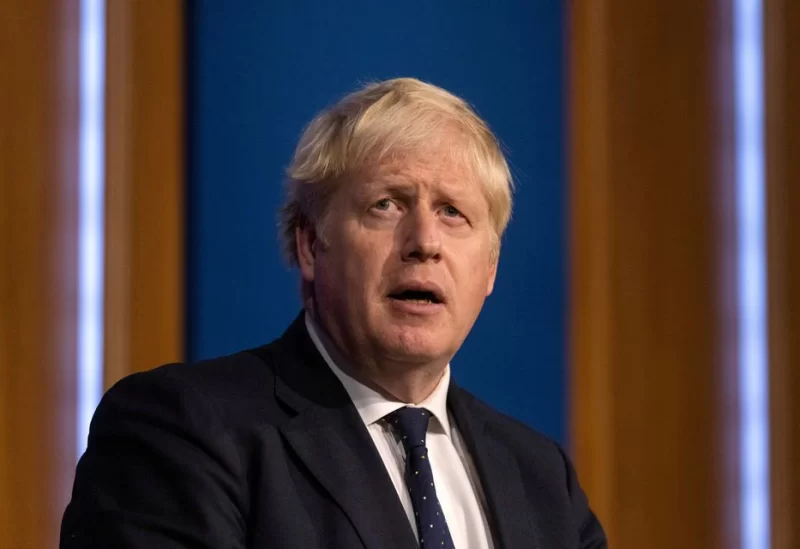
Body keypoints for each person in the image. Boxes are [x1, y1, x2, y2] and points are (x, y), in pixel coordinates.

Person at [61, 77, 606, 549]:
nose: (424, 242)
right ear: (309, 243)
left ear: (489, 268)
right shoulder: (181, 431)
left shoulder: (541, 478)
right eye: (386, 204)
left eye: (453, 212)